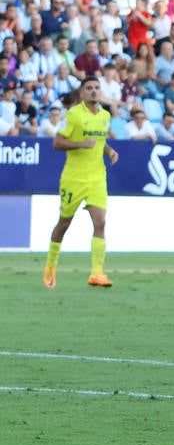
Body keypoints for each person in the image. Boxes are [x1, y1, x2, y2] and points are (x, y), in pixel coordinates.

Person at [43, 77, 119, 289]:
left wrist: (109, 150)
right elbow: (57, 142)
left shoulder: (105, 116)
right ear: (82, 92)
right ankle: (50, 266)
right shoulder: (73, 115)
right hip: (74, 179)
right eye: (89, 89)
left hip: (97, 178)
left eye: (96, 88)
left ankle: (97, 273)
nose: (94, 92)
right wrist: (81, 144)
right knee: (64, 224)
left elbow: (99, 140)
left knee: (100, 222)